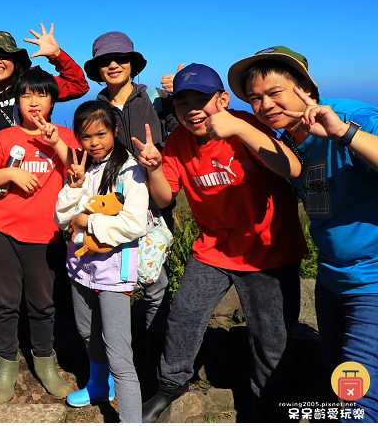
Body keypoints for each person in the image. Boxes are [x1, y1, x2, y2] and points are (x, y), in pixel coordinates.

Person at [132, 63, 308, 422]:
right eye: (183, 103)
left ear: (223, 99)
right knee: (183, 317)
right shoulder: (180, 141)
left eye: (203, 100)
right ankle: (170, 385)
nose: (193, 109)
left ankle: (267, 407)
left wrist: (241, 128)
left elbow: (291, 168)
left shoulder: (248, 124)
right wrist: (151, 167)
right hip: (213, 249)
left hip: (269, 253)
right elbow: (165, 198)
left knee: (270, 339)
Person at [227, 46, 378, 421]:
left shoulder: (349, 116)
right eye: (254, 98)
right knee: (342, 382)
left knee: (357, 405)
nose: (264, 105)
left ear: (305, 89)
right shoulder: (292, 138)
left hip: (372, 283)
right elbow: (290, 172)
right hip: (332, 282)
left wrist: (343, 132)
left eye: (274, 92)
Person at [0, 25, 89, 345]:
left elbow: (78, 85)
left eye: (4, 56)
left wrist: (56, 55)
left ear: (16, 60)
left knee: (41, 252)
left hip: (41, 185)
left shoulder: (32, 86)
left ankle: (37, 312)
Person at [0, 67, 81, 403]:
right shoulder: (5, 137)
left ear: (52, 100)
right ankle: (7, 368)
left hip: (46, 234)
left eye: (42, 94)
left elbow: (79, 174)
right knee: (4, 303)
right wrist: (11, 173)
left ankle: (45, 366)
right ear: (17, 100)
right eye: (26, 94)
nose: (34, 102)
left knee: (42, 304)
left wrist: (57, 143)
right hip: (3, 231)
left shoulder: (64, 136)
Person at [82, 31, 178, 392]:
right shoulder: (98, 108)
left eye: (121, 58)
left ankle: (155, 367)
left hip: (154, 208)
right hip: (110, 215)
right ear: (97, 69)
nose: (113, 64)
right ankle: (112, 372)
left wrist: (178, 92)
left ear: (133, 64)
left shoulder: (155, 99)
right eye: (105, 61)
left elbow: (186, 132)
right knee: (108, 288)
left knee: (155, 288)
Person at [55, 100, 149, 422]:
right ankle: (97, 386)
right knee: (86, 331)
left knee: (120, 355)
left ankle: (130, 419)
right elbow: (60, 218)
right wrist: (74, 187)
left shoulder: (131, 170)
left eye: (100, 134)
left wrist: (86, 223)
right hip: (82, 267)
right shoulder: (84, 169)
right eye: (85, 137)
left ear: (115, 131)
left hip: (115, 271)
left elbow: (135, 224)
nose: (93, 143)